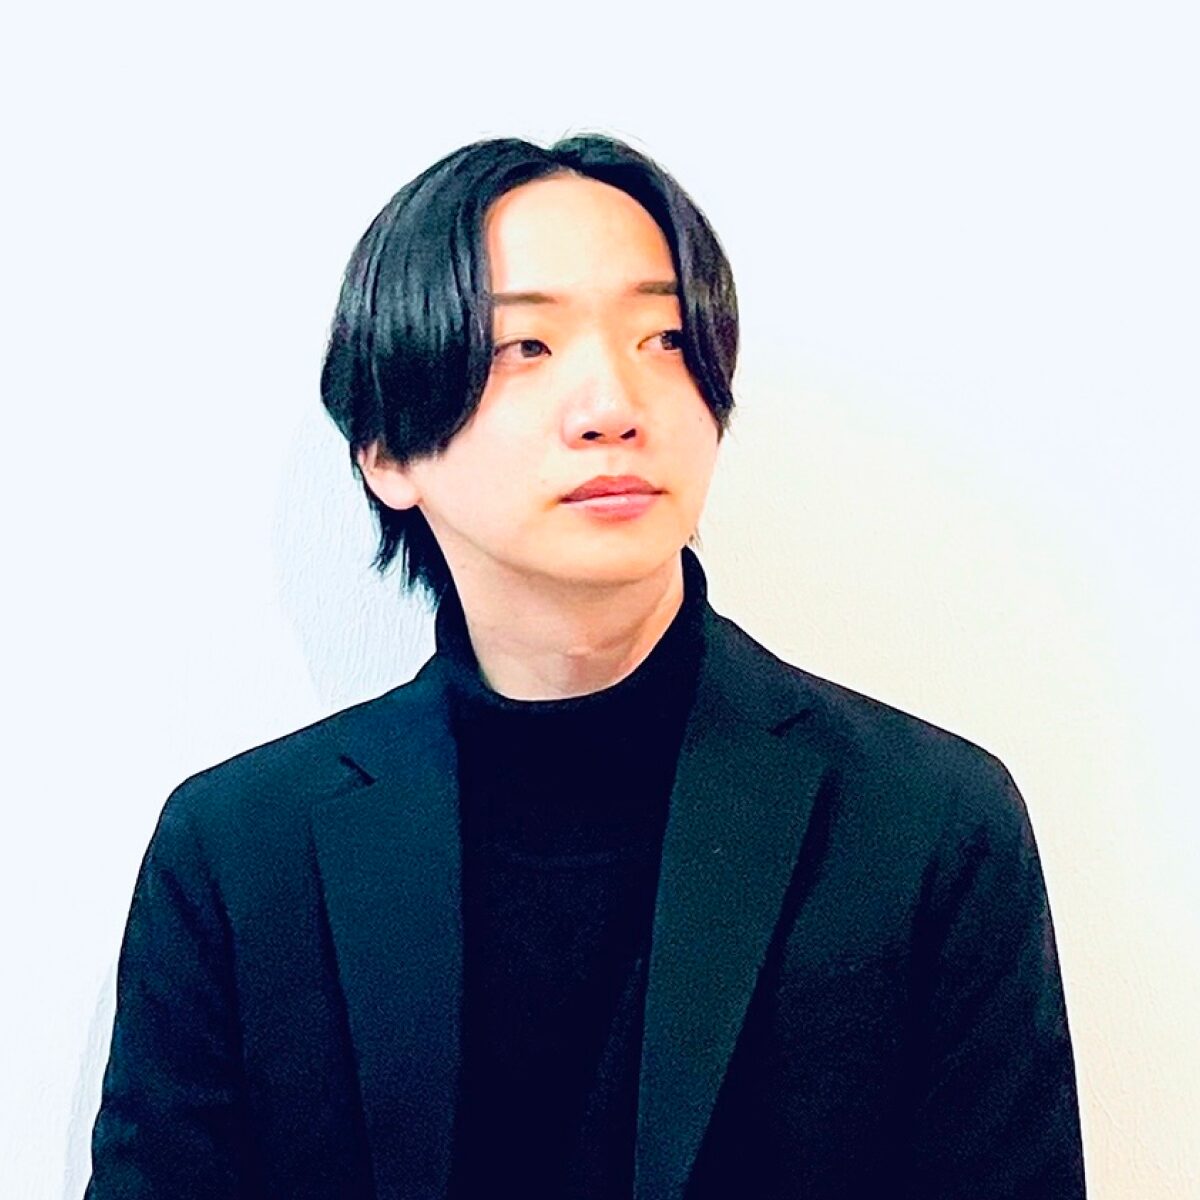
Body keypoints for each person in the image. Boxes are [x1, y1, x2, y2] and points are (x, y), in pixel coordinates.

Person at [85, 134, 1085, 1199]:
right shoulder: (239, 853)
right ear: (386, 450)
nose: (614, 405)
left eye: (664, 338)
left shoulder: (925, 823)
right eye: (527, 346)